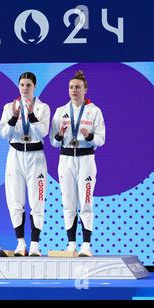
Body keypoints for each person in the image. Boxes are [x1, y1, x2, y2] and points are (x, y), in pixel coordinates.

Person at [50, 70, 105, 257]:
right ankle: (71, 243)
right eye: (71, 87)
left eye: (78, 87)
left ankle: (86, 245)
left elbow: (101, 139)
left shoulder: (94, 111)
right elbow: (53, 142)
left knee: (86, 201)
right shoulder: (60, 111)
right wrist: (60, 134)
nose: (74, 90)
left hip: (86, 159)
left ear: (85, 89)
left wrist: (89, 136)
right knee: (68, 202)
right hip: (65, 159)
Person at [0, 72, 50, 256]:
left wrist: (31, 115)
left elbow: (42, 132)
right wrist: (13, 117)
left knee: (37, 201)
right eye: (22, 84)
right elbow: (4, 133)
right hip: (15, 156)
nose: (25, 88)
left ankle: (35, 244)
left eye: (28, 85)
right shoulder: (8, 107)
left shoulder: (43, 108)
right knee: (15, 201)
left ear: (34, 86)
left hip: (36, 157)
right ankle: (20, 244)